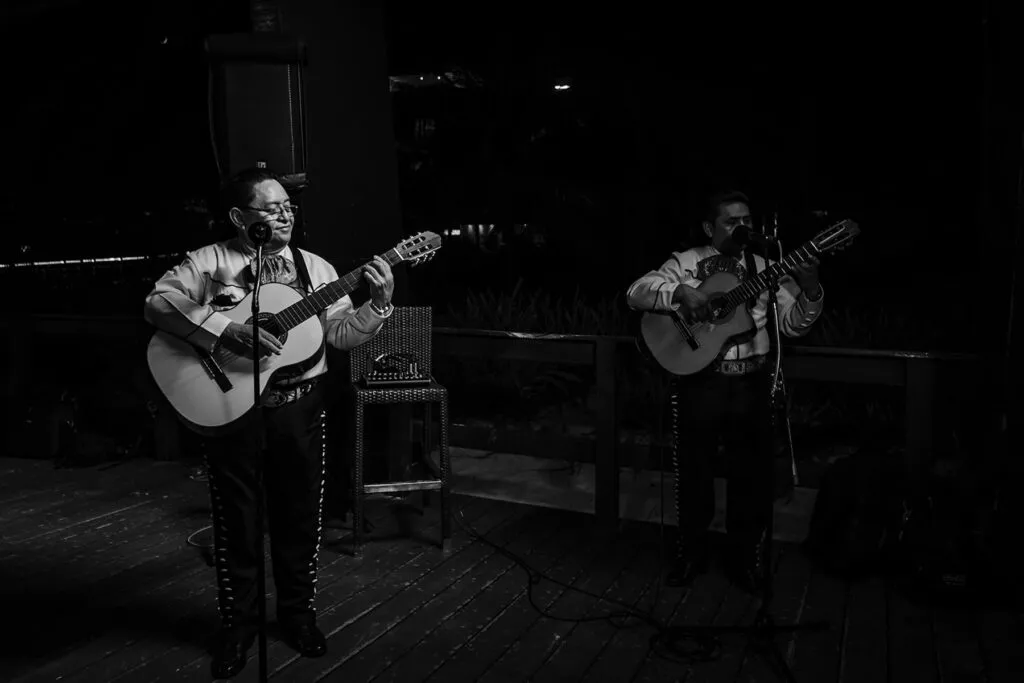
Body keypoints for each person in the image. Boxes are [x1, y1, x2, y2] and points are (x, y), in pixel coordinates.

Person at [144, 168, 395, 678]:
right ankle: (239, 627)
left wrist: (379, 305)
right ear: (240, 217)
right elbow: (158, 303)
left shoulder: (317, 269)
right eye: (271, 207)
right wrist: (224, 330)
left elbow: (343, 335)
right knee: (236, 523)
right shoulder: (209, 261)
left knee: (299, 519)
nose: (285, 214)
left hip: (300, 409)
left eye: (288, 207)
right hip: (231, 413)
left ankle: (298, 616)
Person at [626, 190, 824, 592]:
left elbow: (792, 325)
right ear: (709, 228)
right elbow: (637, 291)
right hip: (702, 380)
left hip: (752, 382)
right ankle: (691, 553)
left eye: (747, 220)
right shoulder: (687, 261)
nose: (742, 228)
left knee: (750, 476)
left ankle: (745, 558)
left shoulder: (768, 267)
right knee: (693, 472)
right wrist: (680, 292)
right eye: (731, 221)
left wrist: (812, 289)